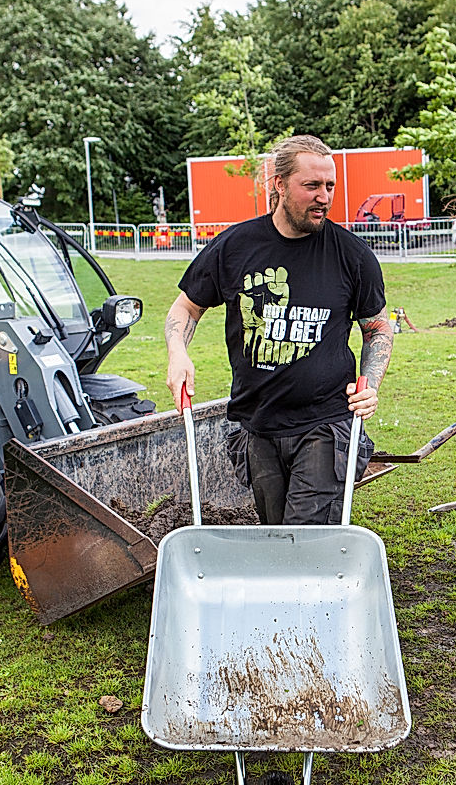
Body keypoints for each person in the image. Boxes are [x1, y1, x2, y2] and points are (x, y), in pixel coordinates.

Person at [164, 134, 393, 525]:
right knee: (273, 529)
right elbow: (186, 307)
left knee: (305, 534)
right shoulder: (235, 247)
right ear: (279, 184)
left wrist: (369, 383)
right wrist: (177, 353)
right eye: (312, 186)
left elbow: (377, 328)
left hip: (325, 420)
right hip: (258, 422)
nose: (324, 197)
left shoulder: (352, 256)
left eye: (330, 186)